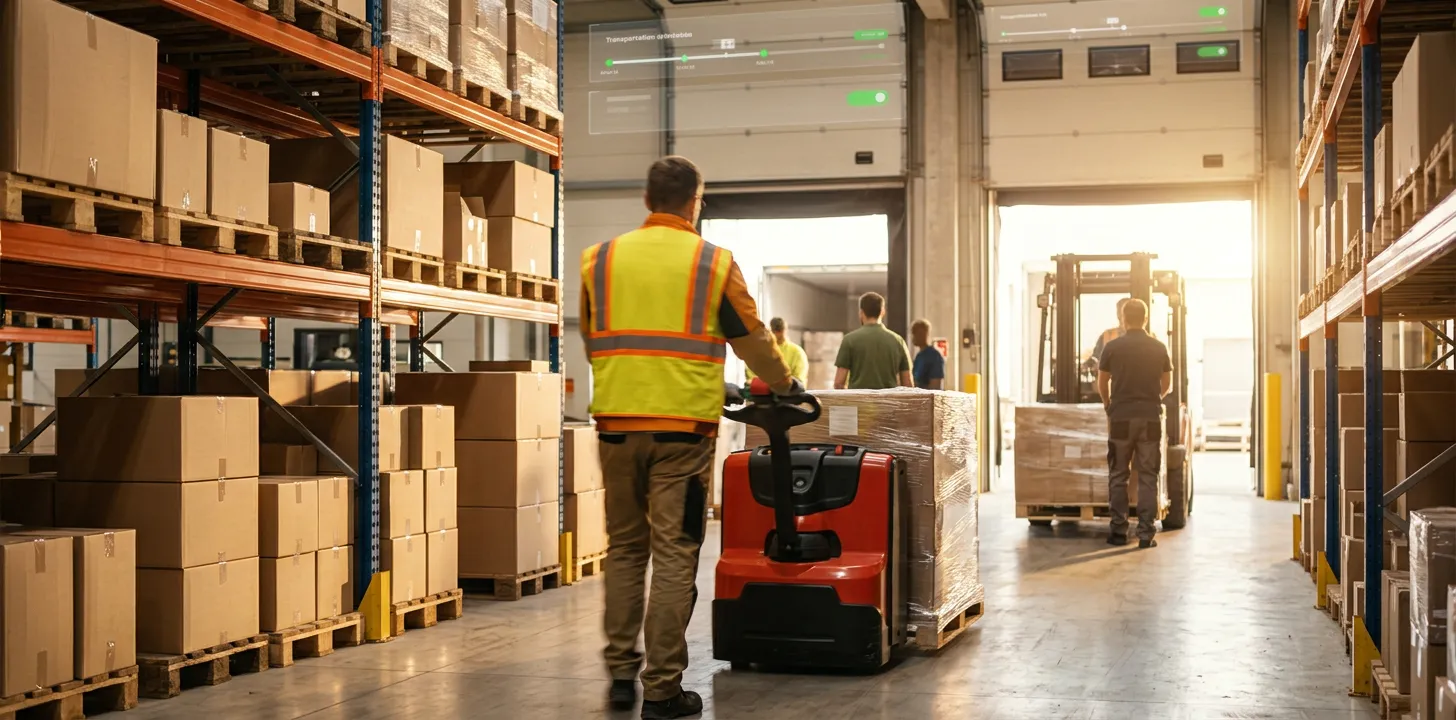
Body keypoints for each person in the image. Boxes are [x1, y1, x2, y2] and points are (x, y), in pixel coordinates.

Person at [579, 155, 799, 720]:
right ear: (694, 202)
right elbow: (750, 338)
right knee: (674, 554)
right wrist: (782, 382)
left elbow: (593, 335)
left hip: (615, 429)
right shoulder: (711, 262)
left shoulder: (599, 260)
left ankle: (621, 676)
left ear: (648, 199)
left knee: (625, 550)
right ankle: (662, 689)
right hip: (683, 434)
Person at [1096, 298, 1173, 550]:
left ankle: (1118, 531)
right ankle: (1145, 534)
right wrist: (1152, 400)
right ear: (1146, 318)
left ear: (1123, 319)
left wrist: (1109, 404)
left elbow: (1102, 381)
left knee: (1119, 474)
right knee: (1148, 476)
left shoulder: (1113, 347)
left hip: (1120, 418)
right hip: (1149, 419)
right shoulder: (1159, 347)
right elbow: (1166, 384)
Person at [834, 292, 912, 390]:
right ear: (882, 312)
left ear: (861, 313)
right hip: (888, 403)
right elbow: (907, 383)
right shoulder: (898, 341)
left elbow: (839, 383)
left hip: (859, 403)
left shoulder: (849, 340)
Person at [746, 317, 807, 384]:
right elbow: (751, 376)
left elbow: (798, 380)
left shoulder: (797, 352)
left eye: (779, 331)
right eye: (775, 331)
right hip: (761, 391)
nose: (777, 334)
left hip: (788, 392)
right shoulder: (759, 351)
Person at [1084, 297, 1132, 373]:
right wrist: (1089, 364)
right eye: (1119, 311)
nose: (1121, 315)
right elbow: (1096, 356)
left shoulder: (1150, 337)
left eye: (1124, 311)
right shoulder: (1107, 335)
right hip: (1113, 383)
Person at [909, 318, 945, 390]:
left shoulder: (934, 356)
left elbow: (935, 385)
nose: (913, 337)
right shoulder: (919, 356)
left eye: (917, 333)